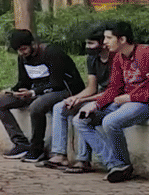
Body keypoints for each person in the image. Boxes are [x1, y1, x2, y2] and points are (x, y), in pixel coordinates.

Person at [71, 21, 149, 183]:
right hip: (125, 101)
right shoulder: (118, 58)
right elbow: (114, 88)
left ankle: (123, 165)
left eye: (109, 38)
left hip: (147, 103)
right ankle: (115, 165)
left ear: (122, 39)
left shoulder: (148, 53)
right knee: (80, 119)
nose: (105, 42)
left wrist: (131, 97)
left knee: (110, 121)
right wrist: (96, 104)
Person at [0, 29, 83, 161]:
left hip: (63, 90)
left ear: (33, 44)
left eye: (24, 49)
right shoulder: (23, 58)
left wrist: (33, 92)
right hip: (38, 91)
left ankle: (37, 148)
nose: (22, 53)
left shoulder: (51, 53)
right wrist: (14, 91)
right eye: (18, 50)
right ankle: (21, 144)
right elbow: (24, 81)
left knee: (36, 106)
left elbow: (57, 82)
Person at [39, 26, 112, 171]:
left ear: (103, 43)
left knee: (83, 114)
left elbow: (112, 91)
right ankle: (59, 154)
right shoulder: (92, 59)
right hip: (98, 95)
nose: (87, 47)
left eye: (91, 43)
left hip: (111, 98)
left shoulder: (115, 59)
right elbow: (92, 88)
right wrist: (75, 98)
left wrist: (83, 101)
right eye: (87, 43)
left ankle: (83, 160)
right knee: (60, 107)